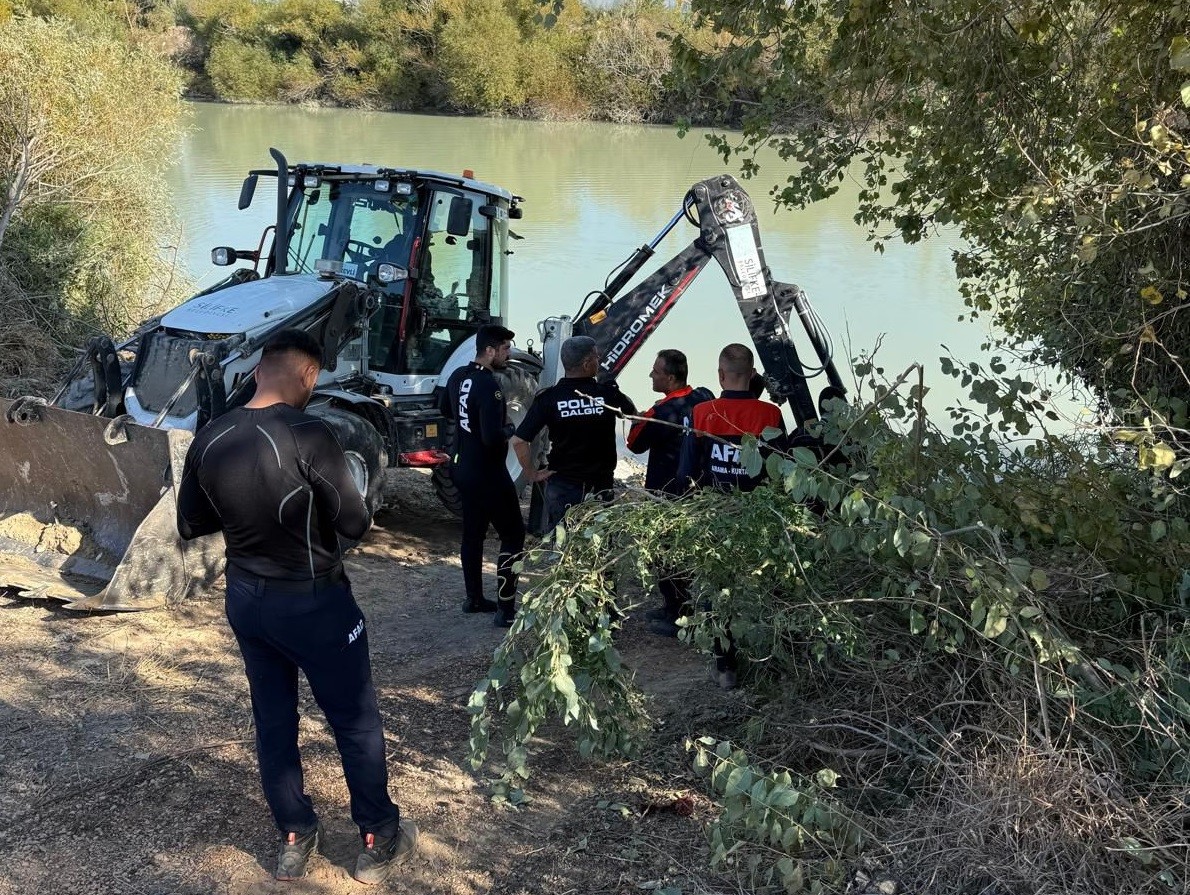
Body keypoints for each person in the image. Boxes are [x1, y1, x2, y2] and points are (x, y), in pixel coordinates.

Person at [176, 328, 415, 885]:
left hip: (247, 601)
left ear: (259, 371)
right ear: (307, 376)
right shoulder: (311, 433)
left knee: (274, 718)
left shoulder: (212, 435)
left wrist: (246, 518)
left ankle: (294, 835)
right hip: (313, 603)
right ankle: (377, 837)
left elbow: (191, 523)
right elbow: (355, 521)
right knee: (355, 721)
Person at [677, 343, 787, 689]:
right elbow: (780, 469)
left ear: (720, 375)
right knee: (765, 586)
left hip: (715, 512)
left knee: (717, 588)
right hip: (759, 514)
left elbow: (686, 472)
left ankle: (726, 666)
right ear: (753, 375)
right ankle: (774, 659)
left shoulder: (702, 412)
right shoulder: (770, 415)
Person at [437, 324, 525, 628]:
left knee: (472, 535)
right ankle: (505, 609)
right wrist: (512, 429)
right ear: (490, 350)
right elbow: (491, 437)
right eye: (504, 348)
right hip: (489, 473)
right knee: (513, 535)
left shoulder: (458, 375)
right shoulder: (490, 385)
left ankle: (473, 598)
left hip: (462, 469)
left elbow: (445, 408)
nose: (508, 354)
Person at [625, 349, 713, 636]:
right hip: (698, 489)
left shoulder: (660, 413)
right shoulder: (702, 398)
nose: (651, 375)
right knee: (686, 551)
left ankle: (677, 613)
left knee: (665, 553)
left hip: (665, 493)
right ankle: (678, 607)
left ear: (671, 378)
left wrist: (639, 421)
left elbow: (634, 445)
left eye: (656, 371)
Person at [510, 335, 637, 531]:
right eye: (596, 357)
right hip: (599, 486)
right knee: (596, 547)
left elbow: (519, 441)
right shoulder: (606, 394)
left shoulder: (549, 398)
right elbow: (634, 415)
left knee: (563, 546)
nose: (599, 360)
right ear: (587, 364)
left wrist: (531, 473)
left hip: (562, 485)